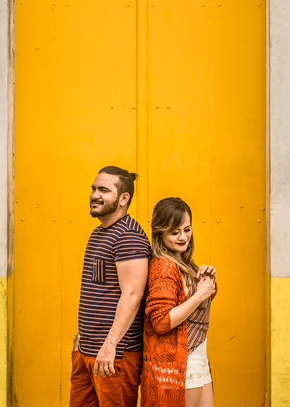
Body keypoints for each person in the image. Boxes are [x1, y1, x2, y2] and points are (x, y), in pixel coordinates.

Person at [71, 166, 152, 407]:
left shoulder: (129, 236)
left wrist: (110, 345)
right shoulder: (99, 233)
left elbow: (133, 296)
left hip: (113, 356)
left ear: (123, 199)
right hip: (88, 350)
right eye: (94, 188)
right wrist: (83, 338)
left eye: (104, 190)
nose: (94, 195)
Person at [141, 197, 218, 407]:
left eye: (187, 229)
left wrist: (206, 283)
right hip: (180, 363)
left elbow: (192, 310)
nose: (183, 237)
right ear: (160, 233)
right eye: (174, 232)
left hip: (197, 357)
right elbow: (161, 322)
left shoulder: (183, 262)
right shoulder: (163, 266)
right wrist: (199, 295)